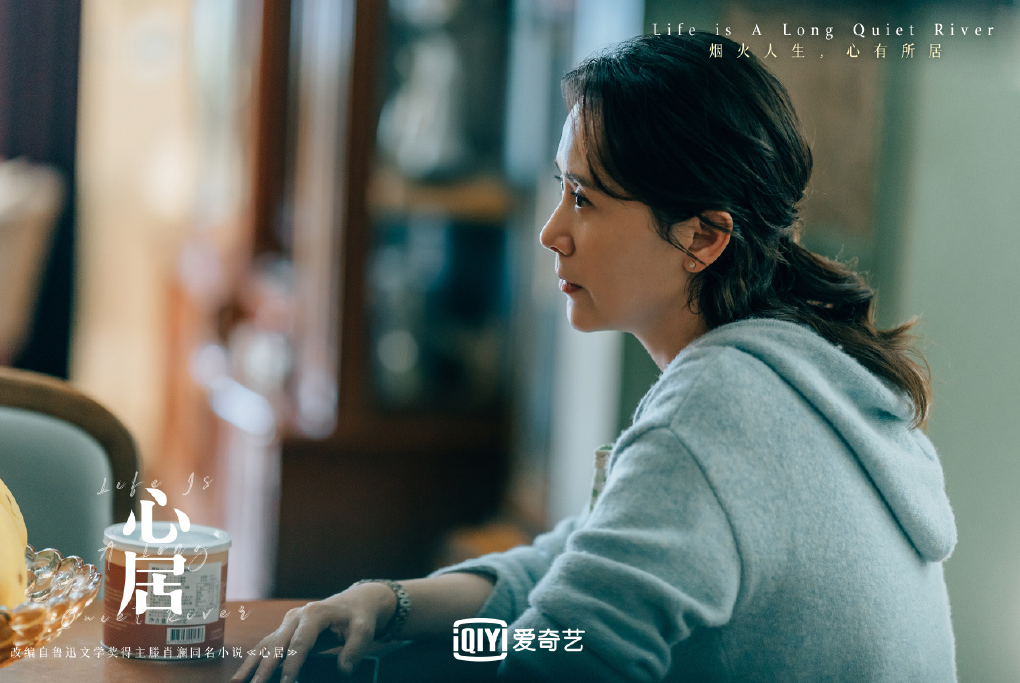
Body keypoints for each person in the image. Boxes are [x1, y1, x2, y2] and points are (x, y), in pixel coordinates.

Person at [233, 32, 957, 683]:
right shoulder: (805, 373)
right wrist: (388, 602)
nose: (551, 232)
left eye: (584, 198)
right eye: (562, 188)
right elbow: (579, 561)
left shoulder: (720, 405)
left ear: (704, 237)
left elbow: (560, 658)